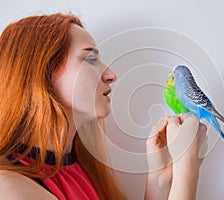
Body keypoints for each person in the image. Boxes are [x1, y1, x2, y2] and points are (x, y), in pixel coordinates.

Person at [0, 13, 207, 200]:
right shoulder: (10, 188)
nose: (110, 75)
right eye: (90, 59)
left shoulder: (80, 168)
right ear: (43, 72)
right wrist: (187, 170)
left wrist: (159, 179)